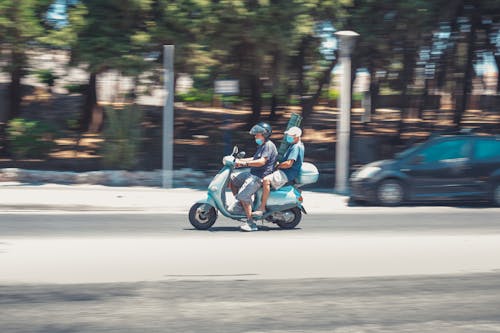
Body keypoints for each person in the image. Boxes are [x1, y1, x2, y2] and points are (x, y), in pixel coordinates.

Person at [230, 122, 278, 232]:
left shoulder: (268, 146)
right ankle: (242, 204)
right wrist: (240, 161)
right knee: (232, 179)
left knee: (243, 195)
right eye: (255, 135)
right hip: (253, 172)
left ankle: (251, 223)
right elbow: (254, 158)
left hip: (259, 176)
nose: (255, 137)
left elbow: (261, 162)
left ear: (265, 135)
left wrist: (244, 164)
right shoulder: (263, 145)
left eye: (258, 135)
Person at [253, 126, 304, 217]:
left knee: (266, 180)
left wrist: (278, 165)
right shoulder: (296, 145)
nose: (288, 137)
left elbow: (289, 163)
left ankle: (262, 207)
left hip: (287, 173)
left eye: (290, 136)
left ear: (296, 136)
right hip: (287, 172)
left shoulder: (296, 147)